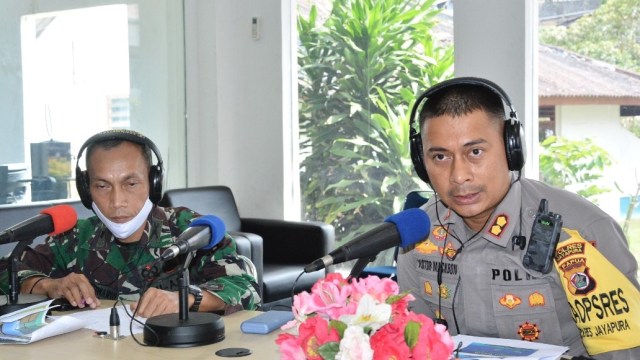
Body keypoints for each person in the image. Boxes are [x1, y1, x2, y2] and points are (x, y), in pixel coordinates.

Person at [397, 77, 640, 359]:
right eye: (440, 157)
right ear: (421, 162)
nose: (459, 175)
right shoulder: (418, 235)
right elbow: (417, 342)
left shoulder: (580, 231)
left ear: (513, 149)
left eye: (475, 152)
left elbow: (624, 351)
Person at [17, 129, 261, 317]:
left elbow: (247, 289)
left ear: (153, 183)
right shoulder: (75, 238)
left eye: (130, 184)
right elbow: (8, 272)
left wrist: (186, 299)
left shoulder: (191, 230)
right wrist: (48, 285)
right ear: (86, 189)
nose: (117, 201)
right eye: (102, 186)